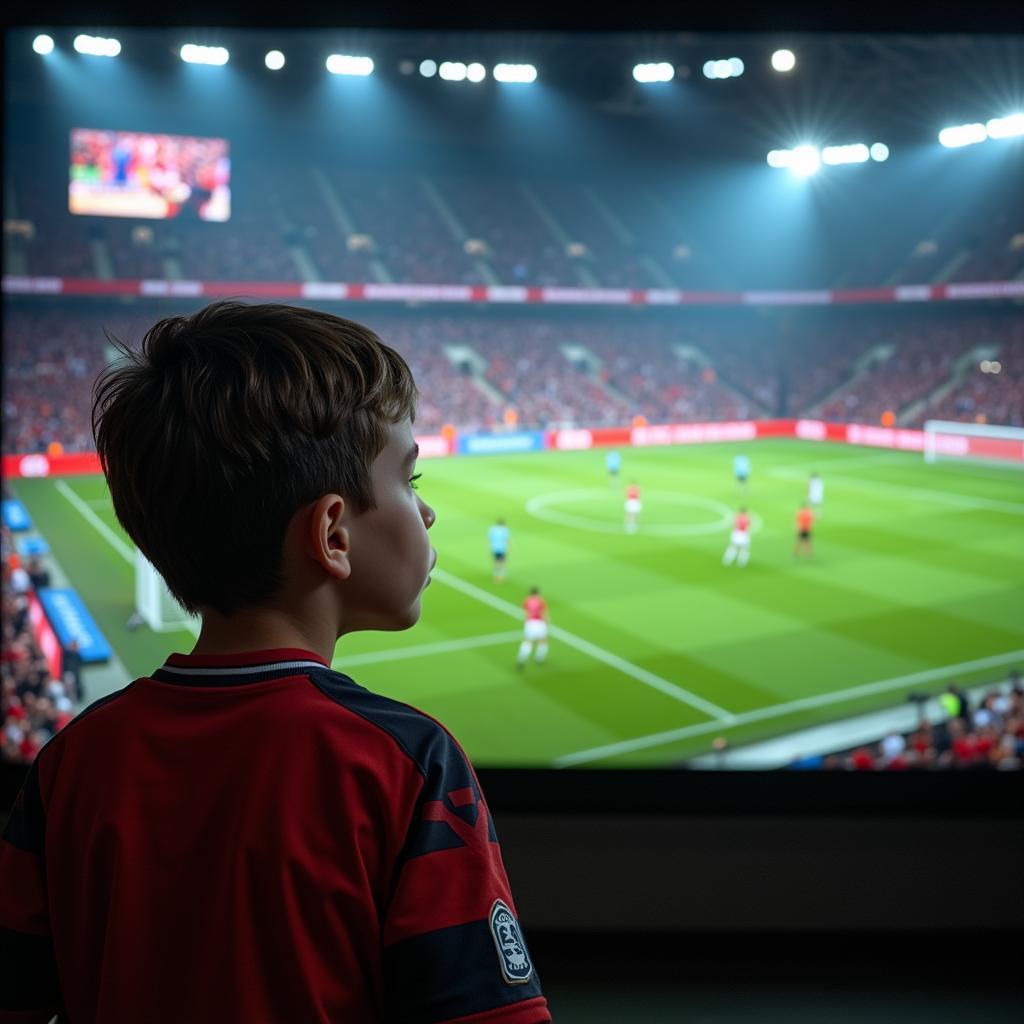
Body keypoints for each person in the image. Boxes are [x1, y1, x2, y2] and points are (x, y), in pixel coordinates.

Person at [0, 302, 550, 1024]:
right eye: (411, 481)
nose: (428, 513)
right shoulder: (408, 765)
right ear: (333, 534)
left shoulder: (69, 764)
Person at [517, 586, 549, 670]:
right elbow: (544, 613)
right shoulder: (541, 601)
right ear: (538, 593)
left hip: (530, 623)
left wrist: (526, 623)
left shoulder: (526, 600)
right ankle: (540, 658)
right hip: (540, 623)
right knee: (543, 640)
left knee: (528, 642)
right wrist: (547, 623)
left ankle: (521, 660)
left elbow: (525, 613)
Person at [488, 517, 510, 583]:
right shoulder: (504, 529)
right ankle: (501, 577)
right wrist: (510, 547)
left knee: (496, 562)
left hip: (494, 547)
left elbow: (490, 538)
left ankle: (496, 576)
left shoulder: (493, 529)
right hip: (502, 548)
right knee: (502, 562)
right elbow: (507, 539)